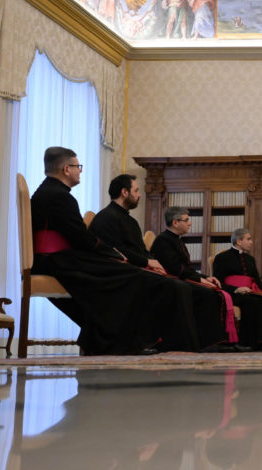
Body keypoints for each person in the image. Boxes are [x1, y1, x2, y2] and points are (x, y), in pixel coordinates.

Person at [29, 147, 198, 354]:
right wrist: (112, 253)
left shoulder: (51, 192)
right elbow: (81, 237)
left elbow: (78, 236)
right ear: (66, 169)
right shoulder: (58, 196)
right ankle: (118, 341)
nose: (79, 171)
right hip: (56, 260)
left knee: (126, 273)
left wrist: (111, 254)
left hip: (58, 257)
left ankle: (112, 338)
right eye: (77, 167)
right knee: (129, 276)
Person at [148, 205, 241, 351]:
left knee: (213, 291)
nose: (190, 223)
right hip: (169, 284)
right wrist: (199, 280)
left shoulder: (177, 240)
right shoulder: (163, 240)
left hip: (180, 280)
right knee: (207, 294)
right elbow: (175, 268)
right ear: (175, 222)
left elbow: (187, 268)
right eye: (186, 220)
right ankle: (208, 343)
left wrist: (206, 277)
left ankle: (219, 342)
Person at [212, 228, 262, 351]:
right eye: (248, 239)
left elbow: (257, 281)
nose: (251, 242)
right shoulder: (222, 257)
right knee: (253, 303)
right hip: (231, 293)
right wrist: (236, 289)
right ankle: (248, 343)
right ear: (239, 241)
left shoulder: (250, 259)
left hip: (248, 292)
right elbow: (218, 282)